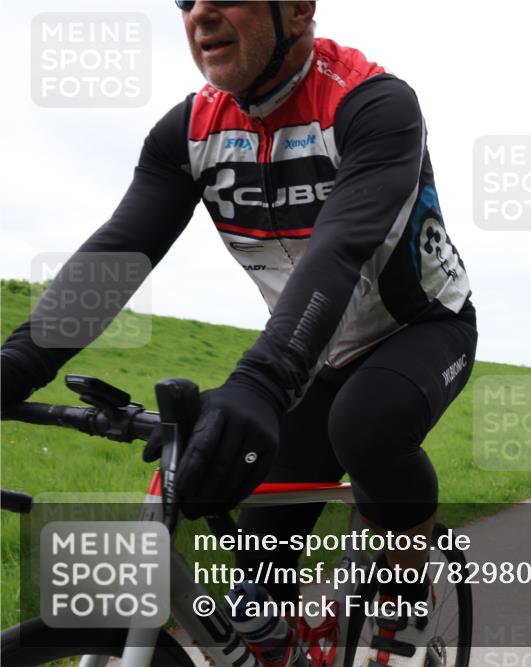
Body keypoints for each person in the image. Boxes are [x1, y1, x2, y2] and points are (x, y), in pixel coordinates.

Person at [0, 3, 474, 665]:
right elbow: (118, 256)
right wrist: (16, 364)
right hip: (313, 352)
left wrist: (261, 382)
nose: (200, 12)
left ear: (298, 9)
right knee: (254, 597)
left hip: (417, 329)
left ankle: (409, 590)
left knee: (365, 427)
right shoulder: (189, 133)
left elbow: (338, 250)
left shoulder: (372, 105)